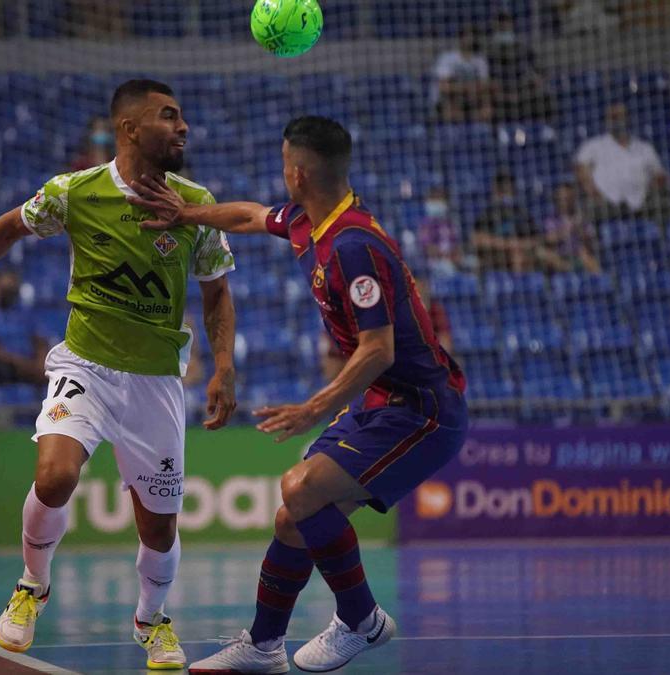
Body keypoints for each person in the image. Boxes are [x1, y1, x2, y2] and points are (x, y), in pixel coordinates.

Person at [0, 79, 238, 669]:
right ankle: (33, 585)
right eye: (170, 116)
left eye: (183, 117)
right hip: (85, 364)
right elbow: (7, 227)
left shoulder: (195, 203)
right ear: (130, 128)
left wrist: (224, 367)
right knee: (55, 476)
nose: (183, 127)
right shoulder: (75, 192)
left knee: (158, 528)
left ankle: (151, 619)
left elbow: (216, 293)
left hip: (157, 381)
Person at [127, 116, 468, 673]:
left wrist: (316, 407)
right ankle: (263, 648)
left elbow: (379, 349)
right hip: (385, 403)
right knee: (293, 516)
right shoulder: (312, 221)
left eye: (285, 162)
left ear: (298, 172)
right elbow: (249, 216)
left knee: (298, 487)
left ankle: (362, 621)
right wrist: (185, 214)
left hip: (423, 412)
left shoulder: (354, 245)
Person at [575, 103, 669, 221]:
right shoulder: (593, 146)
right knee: (590, 208)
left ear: (627, 119)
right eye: (612, 118)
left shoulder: (645, 148)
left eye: (619, 117)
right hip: (605, 204)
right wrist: (595, 194)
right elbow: (581, 171)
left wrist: (648, 192)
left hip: (642, 203)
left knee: (662, 204)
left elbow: (659, 176)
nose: (616, 122)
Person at [473, 169, 541, 272]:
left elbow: (536, 240)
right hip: (496, 254)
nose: (505, 193)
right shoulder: (488, 213)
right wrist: (508, 244)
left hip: (520, 254)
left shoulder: (521, 213)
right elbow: (477, 240)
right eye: (501, 189)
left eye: (508, 189)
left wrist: (518, 245)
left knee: (522, 256)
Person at [431, 25, 493, 123]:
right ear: (460, 38)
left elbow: (484, 86)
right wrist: (467, 87)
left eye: (473, 36)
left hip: (471, 98)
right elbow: (444, 87)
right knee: (449, 107)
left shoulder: (480, 60)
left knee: (487, 103)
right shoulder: (447, 58)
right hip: (449, 99)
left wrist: (472, 90)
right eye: (467, 36)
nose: (470, 39)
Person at [542, 183, 601, 273]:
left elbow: (589, 237)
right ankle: (569, 268)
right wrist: (568, 231)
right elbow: (549, 239)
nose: (565, 201)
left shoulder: (582, 217)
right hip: (560, 254)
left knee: (585, 254)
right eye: (563, 198)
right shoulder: (552, 218)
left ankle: (604, 280)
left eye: (569, 198)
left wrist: (579, 230)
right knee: (544, 253)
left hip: (578, 252)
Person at [416, 184, 465, 278]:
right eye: (434, 199)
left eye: (440, 199)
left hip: (452, 261)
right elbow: (429, 250)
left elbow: (457, 246)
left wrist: (455, 256)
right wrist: (447, 255)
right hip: (433, 264)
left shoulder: (450, 223)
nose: (437, 202)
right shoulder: (426, 224)